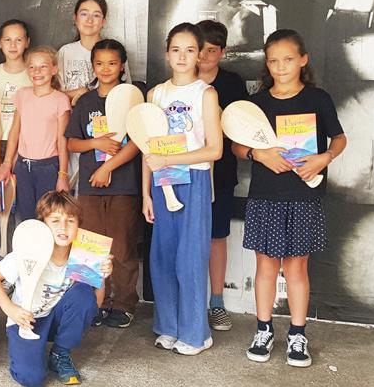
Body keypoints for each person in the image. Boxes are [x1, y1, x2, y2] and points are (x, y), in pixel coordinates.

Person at [234, 29, 346, 368]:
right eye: (273, 61)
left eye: (287, 59)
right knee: (266, 266)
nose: (280, 66)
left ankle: (298, 334)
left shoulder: (318, 99)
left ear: (303, 60)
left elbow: (339, 138)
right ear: (266, 64)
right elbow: (237, 146)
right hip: (266, 195)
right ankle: (263, 329)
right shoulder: (257, 103)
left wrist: (324, 158)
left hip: (304, 194)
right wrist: (257, 154)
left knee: (297, 267)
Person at [142, 23, 223, 356]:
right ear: (167, 53)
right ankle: (169, 327)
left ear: (200, 55)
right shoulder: (155, 95)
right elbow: (146, 148)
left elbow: (214, 150)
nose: (182, 56)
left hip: (194, 180)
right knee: (162, 257)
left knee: (190, 258)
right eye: (176, 49)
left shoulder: (206, 94)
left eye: (190, 50)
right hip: (162, 181)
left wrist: (170, 158)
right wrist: (146, 194)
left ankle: (196, 334)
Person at [0, 191, 109, 387]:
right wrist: (10, 309)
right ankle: (28, 351)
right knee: (31, 378)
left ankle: (60, 352)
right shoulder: (30, 251)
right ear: (43, 224)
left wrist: (100, 276)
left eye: (70, 221)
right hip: (25, 319)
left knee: (84, 292)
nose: (63, 227)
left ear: (79, 225)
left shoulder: (83, 257)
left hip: (56, 319)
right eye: (55, 221)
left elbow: (94, 305)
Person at [65, 39, 142, 328]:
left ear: (122, 66)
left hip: (123, 186)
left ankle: (123, 303)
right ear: (93, 67)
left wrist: (108, 167)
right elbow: (72, 143)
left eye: (112, 63)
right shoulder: (86, 102)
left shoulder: (133, 98)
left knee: (122, 248)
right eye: (99, 63)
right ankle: (94, 301)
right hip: (89, 187)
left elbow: (137, 142)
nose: (106, 68)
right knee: (89, 246)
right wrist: (95, 143)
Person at [195, 19, 249, 332]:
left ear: (223, 52)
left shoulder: (232, 83)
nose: (204, 56)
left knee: (216, 237)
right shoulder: (178, 82)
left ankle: (216, 302)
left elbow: (242, 125)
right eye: (199, 49)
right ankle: (189, 302)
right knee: (188, 239)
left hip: (222, 173)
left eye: (211, 50)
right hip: (185, 174)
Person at [0, 45, 71, 221]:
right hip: (23, 167)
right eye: (32, 67)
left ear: (54, 70)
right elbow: (15, 131)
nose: (37, 71)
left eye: (43, 66)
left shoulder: (60, 100)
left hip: (49, 167)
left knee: (47, 217)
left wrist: (62, 175)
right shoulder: (22, 95)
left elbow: (62, 140)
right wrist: (7, 163)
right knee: (26, 217)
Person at [57, 0, 130, 101]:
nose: (89, 20)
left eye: (96, 15)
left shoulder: (114, 51)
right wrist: (77, 93)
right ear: (75, 18)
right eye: (84, 14)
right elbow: (53, 95)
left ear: (103, 21)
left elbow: (127, 92)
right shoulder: (65, 52)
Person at [0, 19, 32, 156]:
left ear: (27, 42)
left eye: (18, 40)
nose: (12, 45)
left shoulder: (34, 74)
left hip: (25, 140)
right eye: (7, 40)